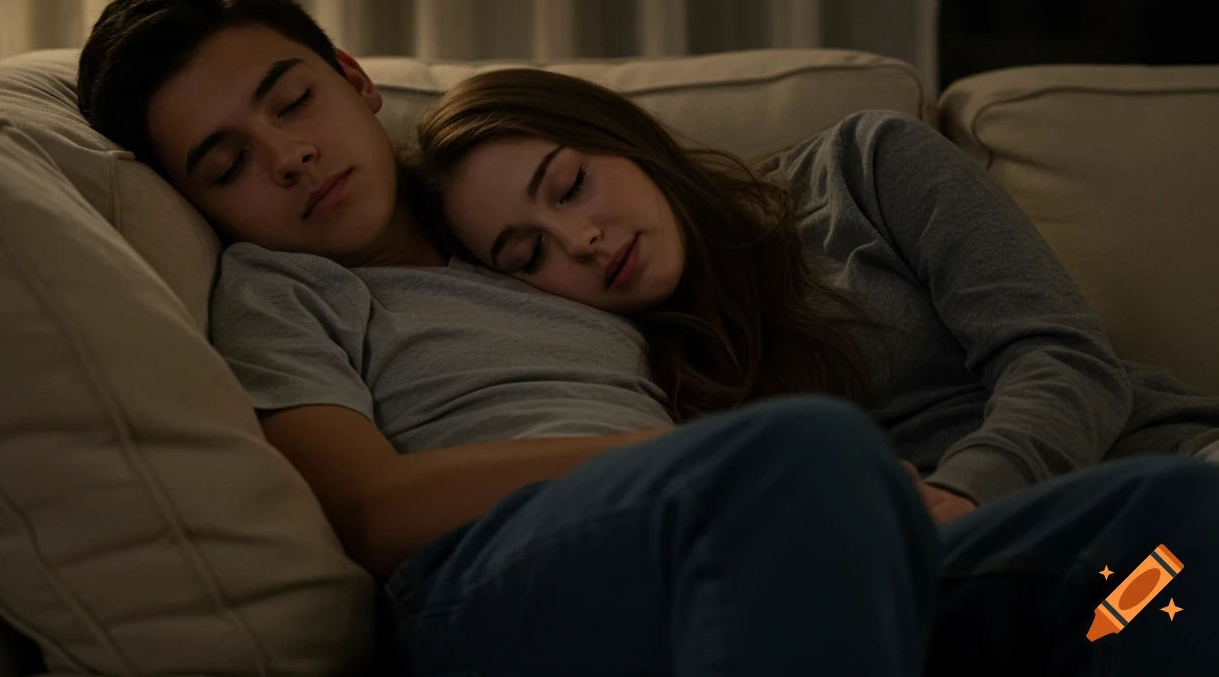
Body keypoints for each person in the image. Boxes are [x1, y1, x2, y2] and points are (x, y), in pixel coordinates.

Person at [77, 0, 1219, 676]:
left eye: (294, 102)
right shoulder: (282, 288)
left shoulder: (519, 238)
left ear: (354, 78)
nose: (291, 159)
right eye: (227, 164)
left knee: (1167, 528)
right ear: (193, 196)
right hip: (505, 567)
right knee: (805, 456)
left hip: (747, 537)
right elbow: (371, 509)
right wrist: (688, 456)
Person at [412, 67, 1219, 510]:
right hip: (1003, 576)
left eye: (571, 185)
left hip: (1162, 476)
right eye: (528, 254)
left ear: (623, 139)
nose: (578, 242)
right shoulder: (621, 375)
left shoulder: (864, 167)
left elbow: (1065, 359)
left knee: (1164, 594)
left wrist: (962, 499)